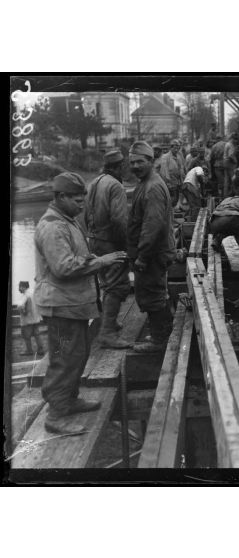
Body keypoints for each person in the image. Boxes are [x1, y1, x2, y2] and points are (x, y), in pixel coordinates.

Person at [34, 172, 128, 435]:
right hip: (60, 306)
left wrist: (91, 257)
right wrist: (101, 261)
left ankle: (70, 398)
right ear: (60, 197)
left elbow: (74, 256)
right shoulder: (53, 226)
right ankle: (57, 414)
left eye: (83, 199)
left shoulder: (67, 220)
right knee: (64, 359)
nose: (82, 204)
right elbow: (63, 267)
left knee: (78, 354)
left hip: (72, 304)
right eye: (76, 199)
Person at [127, 141, 176, 353]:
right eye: (132, 163)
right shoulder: (145, 183)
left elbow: (152, 225)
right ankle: (163, 333)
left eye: (140, 162)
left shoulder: (152, 187)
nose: (135, 166)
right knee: (152, 292)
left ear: (151, 161)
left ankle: (159, 340)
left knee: (153, 294)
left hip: (153, 252)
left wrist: (143, 256)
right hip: (152, 251)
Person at [84, 149, 131, 349]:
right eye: (124, 167)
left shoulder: (93, 183)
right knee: (118, 285)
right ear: (119, 167)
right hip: (110, 241)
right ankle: (107, 333)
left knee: (105, 282)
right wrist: (126, 246)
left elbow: (85, 215)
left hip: (93, 239)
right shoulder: (116, 186)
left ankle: (107, 321)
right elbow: (119, 221)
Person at [17, 280, 44, 356]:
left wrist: (23, 312)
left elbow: (20, 306)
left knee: (26, 336)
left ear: (24, 287)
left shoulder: (26, 295)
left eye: (20, 287)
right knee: (37, 334)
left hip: (27, 320)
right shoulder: (34, 292)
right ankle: (41, 350)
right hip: (36, 318)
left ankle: (29, 351)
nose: (19, 289)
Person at [159, 139, 185, 207]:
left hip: (177, 182)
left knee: (175, 199)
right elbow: (164, 171)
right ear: (171, 147)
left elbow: (181, 169)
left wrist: (182, 180)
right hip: (169, 182)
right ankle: (168, 213)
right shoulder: (165, 157)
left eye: (178, 148)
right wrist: (168, 183)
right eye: (175, 148)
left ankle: (171, 212)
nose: (176, 150)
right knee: (171, 199)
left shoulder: (178, 157)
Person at [223, 132, 239, 197]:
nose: (236, 141)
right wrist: (235, 161)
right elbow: (231, 155)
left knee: (226, 180)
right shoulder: (231, 145)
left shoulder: (227, 144)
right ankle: (234, 194)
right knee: (233, 179)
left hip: (225, 162)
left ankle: (225, 194)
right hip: (230, 163)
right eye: (235, 139)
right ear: (232, 138)